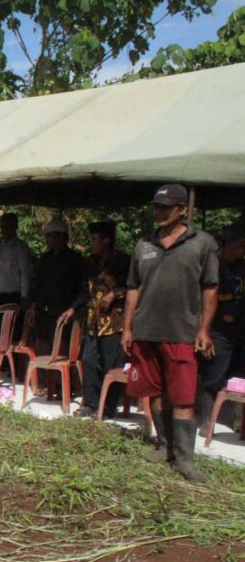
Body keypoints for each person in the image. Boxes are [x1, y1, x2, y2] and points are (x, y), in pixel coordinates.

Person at [123, 184, 219, 483]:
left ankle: (184, 460)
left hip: (182, 333)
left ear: (182, 210)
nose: (158, 212)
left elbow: (211, 288)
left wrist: (203, 329)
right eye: (156, 207)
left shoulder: (202, 243)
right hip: (146, 331)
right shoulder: (143, 245)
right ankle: (165, 446)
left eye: (165, 207)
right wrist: (127, 328)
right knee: (153, 392)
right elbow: (133, 289)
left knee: (183, 397)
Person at [59, 221, 131, 418]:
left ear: (106, 241)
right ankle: (90, 404)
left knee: (111, 366)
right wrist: (72, 309)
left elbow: (135, 288)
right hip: (93, 321)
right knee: (90, 361)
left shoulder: (123, 262)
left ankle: (107, 409)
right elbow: (85, 291)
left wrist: (115, 293)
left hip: (114, 323)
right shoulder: (90, 263)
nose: (91, 243)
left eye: (94, 240)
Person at [196, 223, 245, 428]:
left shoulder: (241, 266)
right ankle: (205, 421)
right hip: (217, 330)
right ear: (231, 244)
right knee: (213, 375)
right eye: (241, 245)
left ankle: (236, 421)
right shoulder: (214, 263)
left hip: (239, 330)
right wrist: (203, 331)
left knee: (239, 377)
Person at [29, 218, 84, 393]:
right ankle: (46, 385)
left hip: (64, 313)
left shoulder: (74, 260)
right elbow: (38, 284)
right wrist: (33, 306)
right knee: (43, 347)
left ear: (61, 237)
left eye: (50, 236)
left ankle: (65, 388)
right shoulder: (45, 259)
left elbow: (83, 289)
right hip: (44, 311)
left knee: (63, 350)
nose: (47, 240)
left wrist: (72, 309)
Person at [0, 212, 31, 344]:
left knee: (14, 332)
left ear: (14, 227)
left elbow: (25, 273)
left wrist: (24, 297)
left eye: (7, 225)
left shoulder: (21, 247)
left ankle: (12, 362)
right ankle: (0, 362)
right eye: (2, 225)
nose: (4, 228)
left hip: (15, 296)